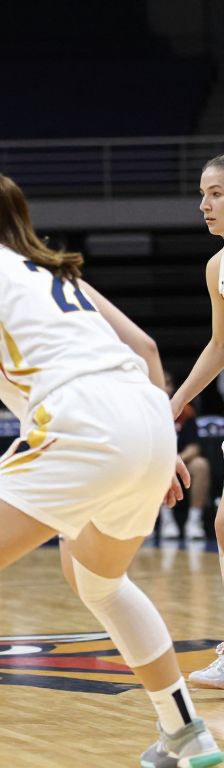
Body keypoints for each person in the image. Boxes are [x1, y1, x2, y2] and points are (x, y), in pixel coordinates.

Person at [0, 155, 222, 768]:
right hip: (143, 412)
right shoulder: (45, 263)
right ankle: (185, 733)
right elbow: (142, 345)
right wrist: (158, 446)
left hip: (83, 416)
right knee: (99, 580)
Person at [168, 153, 224, 690]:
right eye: (203, 194)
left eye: (217, 193)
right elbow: (218, 345)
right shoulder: (217, 267)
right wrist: (175, 401)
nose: (204, 205)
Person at [158, 372, 210, 541]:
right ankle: (166, 520)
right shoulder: (144, 410)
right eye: (160, 382)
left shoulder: (186, 411)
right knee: (151, 466)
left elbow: (194, 448)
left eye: (168, 383)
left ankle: (194, 522)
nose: (164, 387)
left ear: (173, 387)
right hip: (156, 461)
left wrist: (175, 460)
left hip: (183, 460)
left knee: (201, 465)